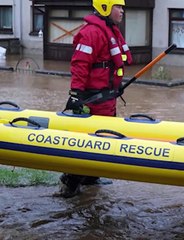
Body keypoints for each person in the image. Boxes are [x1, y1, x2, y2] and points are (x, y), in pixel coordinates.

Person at [56, 0, 132, 198]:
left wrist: (116, 86)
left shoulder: (110, 30)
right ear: (106, 7)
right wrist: (75, 95)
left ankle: (91, 177)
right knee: (92, 142)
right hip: (94, 100)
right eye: (118, 6)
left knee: (104, 138)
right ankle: (70, 182)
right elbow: (80, 64)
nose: (122, 11)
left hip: (107, 98)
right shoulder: (92, 33)